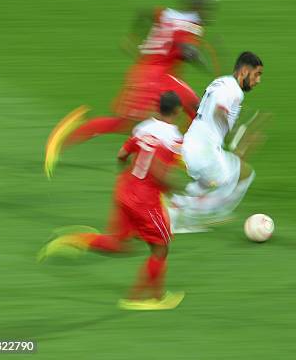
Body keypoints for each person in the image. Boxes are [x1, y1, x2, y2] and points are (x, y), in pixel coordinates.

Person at [39, 92, 186, 311]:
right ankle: (146, 299)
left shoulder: (143, 128)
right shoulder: (174, 138)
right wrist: (174, 188)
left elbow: (121, 156)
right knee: (160, 249)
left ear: (158, 108)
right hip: (145, 200)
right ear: (177, 111)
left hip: (124, 189)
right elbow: (160, 172)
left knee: (120, 244)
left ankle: (75, 239)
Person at [44, 0, 217, 178]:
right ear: (197, 9)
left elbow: (145, 13)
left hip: (152, 73)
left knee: (194, 110)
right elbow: (187, 50)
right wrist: (200, 60)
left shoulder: (168, 13)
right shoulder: (193, 26)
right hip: (155, 77)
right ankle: (66, 137)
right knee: (127, 123)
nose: (209, 14)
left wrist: (134, 38)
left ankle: (185, 156)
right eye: (206, 9)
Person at [171, 52, 263, 231]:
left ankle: (175, 209)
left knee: (205, 183)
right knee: (243, 176)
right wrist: (236, 133)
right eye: (257, 74)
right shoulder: (235, 91)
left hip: (191, 144)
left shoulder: (220, 82)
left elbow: (202, 107)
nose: (258, 80)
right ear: (244, 71)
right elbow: (219, 111)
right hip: (205, 152)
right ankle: (198, 215)